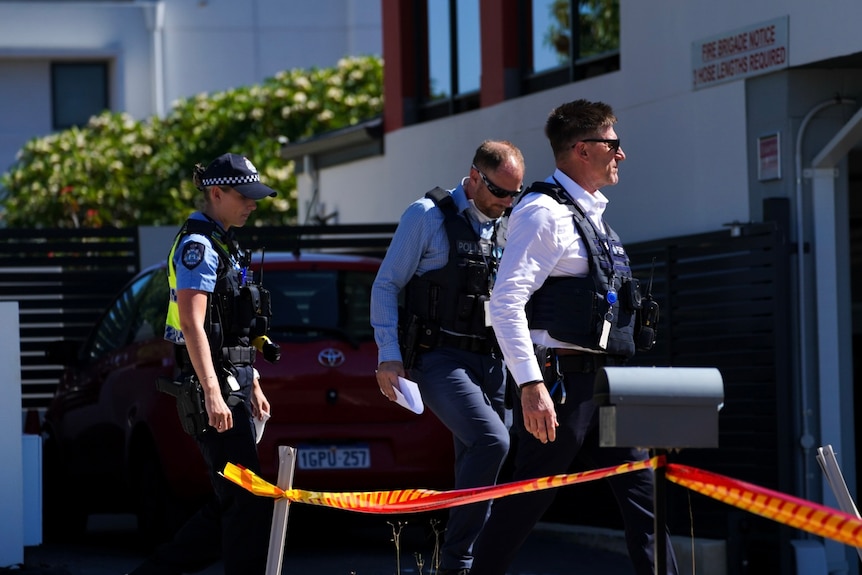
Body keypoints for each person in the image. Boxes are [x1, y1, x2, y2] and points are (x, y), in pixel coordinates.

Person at [470, 100, 679, 575]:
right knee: (524, 502)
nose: (621, 154)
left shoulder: (592, 216)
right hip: (559, 386)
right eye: (613, 144)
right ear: (583, 150)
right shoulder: (543, 213)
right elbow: (504, 304)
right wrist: (530, 385)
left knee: (647, 499)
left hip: (607, 385)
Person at [371, 140, 525, 575]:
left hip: (491, 362)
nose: (507, 202)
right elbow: (385, 285)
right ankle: (458, 564)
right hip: (439, 358)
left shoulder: (506, 222)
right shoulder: (426, 216)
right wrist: (389, 356)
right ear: (475, 176)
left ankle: (471, 564)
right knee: (493, 440)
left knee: (480, 462)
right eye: (499, 192)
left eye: (514, 194)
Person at [130, 153, 279, 575]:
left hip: (234, 381)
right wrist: (213, 391)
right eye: (245, 196)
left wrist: (254, 382)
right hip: (211, 387)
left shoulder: (227, 242)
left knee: (234, 499)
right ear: (216, 193)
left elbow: (233, 327)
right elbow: (194, 326)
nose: (253, 204)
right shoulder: (199, 246)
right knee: (245, 499)